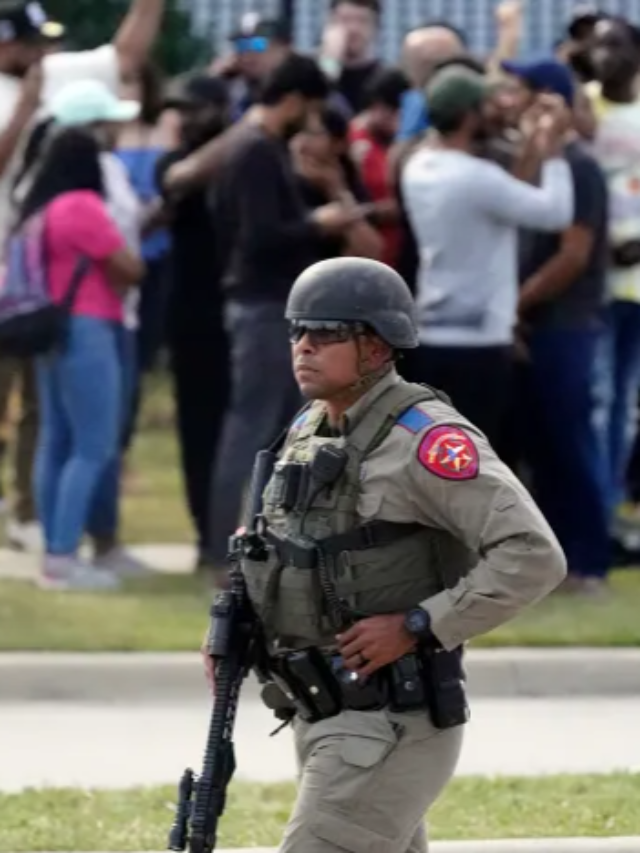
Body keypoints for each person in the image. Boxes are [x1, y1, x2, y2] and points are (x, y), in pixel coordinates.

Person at [205, 257, 567, 852]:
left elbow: (533, 554)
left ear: (375, 347)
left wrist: (421, 624)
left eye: (325, 334)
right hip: (321, 709)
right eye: (298, 331)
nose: (303, 347)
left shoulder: (426, 440)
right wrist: (232, 623)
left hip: (391, 719)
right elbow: (273, 544)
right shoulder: (311, 426)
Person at [206, 53, 364, 568]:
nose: (313, 122)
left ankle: (255, 541)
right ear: (294, 101)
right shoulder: (254, 150)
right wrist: (319, 222)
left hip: (261, 300)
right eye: (311, 109)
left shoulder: (258, 147)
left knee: (271, 428)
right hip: (261, 302)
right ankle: (223, 550)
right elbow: (259, 236)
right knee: (251, 429)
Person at [400, 66, 574, 447]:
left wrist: (529, 144)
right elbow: (554, 213)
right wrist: (555, 152)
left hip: (432, 331)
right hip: (480, 341)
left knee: (433, 451)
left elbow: (506, 195)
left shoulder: (417, 166)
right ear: (467, 116)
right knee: (476, 457)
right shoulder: (475, 177)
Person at [16, 126, 143, 589]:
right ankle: (65, 556)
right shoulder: (82, 206)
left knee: (57, 440)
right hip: (89, 325)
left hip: (49, 330)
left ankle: (54, 551)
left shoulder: (41, 211)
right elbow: (129, 267)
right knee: (94, 444)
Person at [505, 59, 611, 594]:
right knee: (541, 447)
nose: (508, 97)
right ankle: (554, 565)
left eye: (518, 89)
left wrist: (514, 306)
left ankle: (589, 562)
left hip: (564, 325)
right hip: (534, 325)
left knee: (569, 445)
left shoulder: (578, 167)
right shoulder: (540, 162)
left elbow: (572, 255)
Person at [156, 73, 232, 570]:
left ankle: (236, 533)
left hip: (236, 311)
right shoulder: (177, 164)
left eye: (193, 109)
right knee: (197, 430)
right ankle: (208, 535)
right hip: (191, 314)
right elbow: (178, 179)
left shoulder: (244, 164)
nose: (183, 119)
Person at [585, 17, 640, 517]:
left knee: (627, 409)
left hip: (636, 287)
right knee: (598, 402)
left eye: (616, 46)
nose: (605, 56)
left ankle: (612, 505)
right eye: (599, 46)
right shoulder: (584, 108)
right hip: (593, 285)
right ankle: (596, 512)